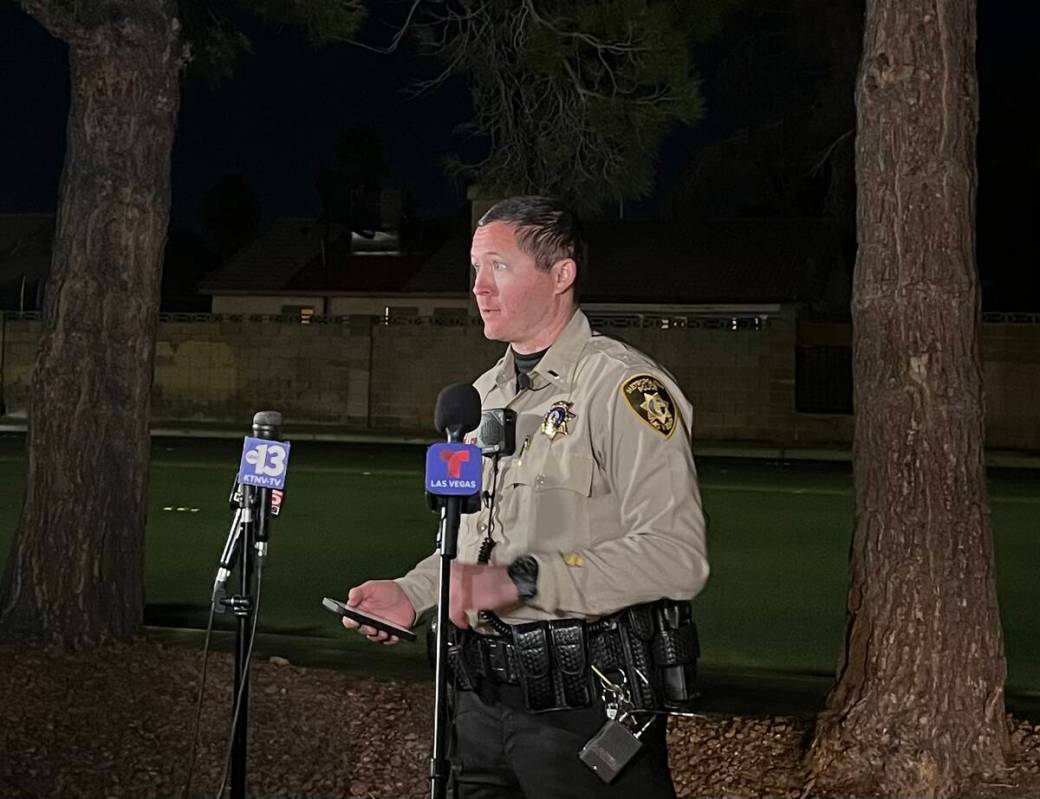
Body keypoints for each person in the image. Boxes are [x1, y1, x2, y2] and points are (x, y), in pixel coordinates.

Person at [343, 196, 709, 798]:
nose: (479, 287)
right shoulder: (481, 396)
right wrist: (412, 594)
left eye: (498, 267)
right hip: (477, 707)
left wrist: (524, 581)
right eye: (474, 269)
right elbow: (472, 545)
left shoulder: (622, 389)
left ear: (561, 274)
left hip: (584, 707)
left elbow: (675, 555)